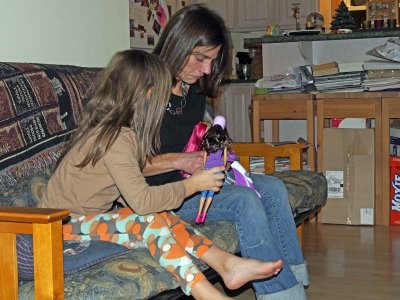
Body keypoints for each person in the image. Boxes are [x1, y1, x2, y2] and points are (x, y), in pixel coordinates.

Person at [39, 49, 282, 299]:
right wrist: (193, 186)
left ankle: (227, 265)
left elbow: (127, 194)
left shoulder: (118, 133)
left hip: (81, 223)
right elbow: (141, 203)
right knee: (150, 220)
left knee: (160, 216)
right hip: (57, 229)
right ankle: (205, 293)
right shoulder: (117, 138)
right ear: (148, 94)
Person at [146, 4, 309, 300]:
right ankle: (281, 295)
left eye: (211, 60)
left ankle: (293, 282)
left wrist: (214, 154)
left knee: (272, 187)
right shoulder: (144, 90)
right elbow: (124, 165)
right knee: (244, 201)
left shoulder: (191, 91)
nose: (207, 69)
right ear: (178, 43)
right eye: (200, 59)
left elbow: (194, 143)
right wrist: (182, 160)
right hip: (159, 196)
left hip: (193, 184)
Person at [196, 115, 231, 224]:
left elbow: (205, 156)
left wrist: (205, 166)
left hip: (208, 168)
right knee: (211, 194)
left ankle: (198, 214)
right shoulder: (223, 142)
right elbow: (225, 158)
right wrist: (224, 167)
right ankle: (204, 214)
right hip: (218, 168)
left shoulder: (209, 140)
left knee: (203, 193)